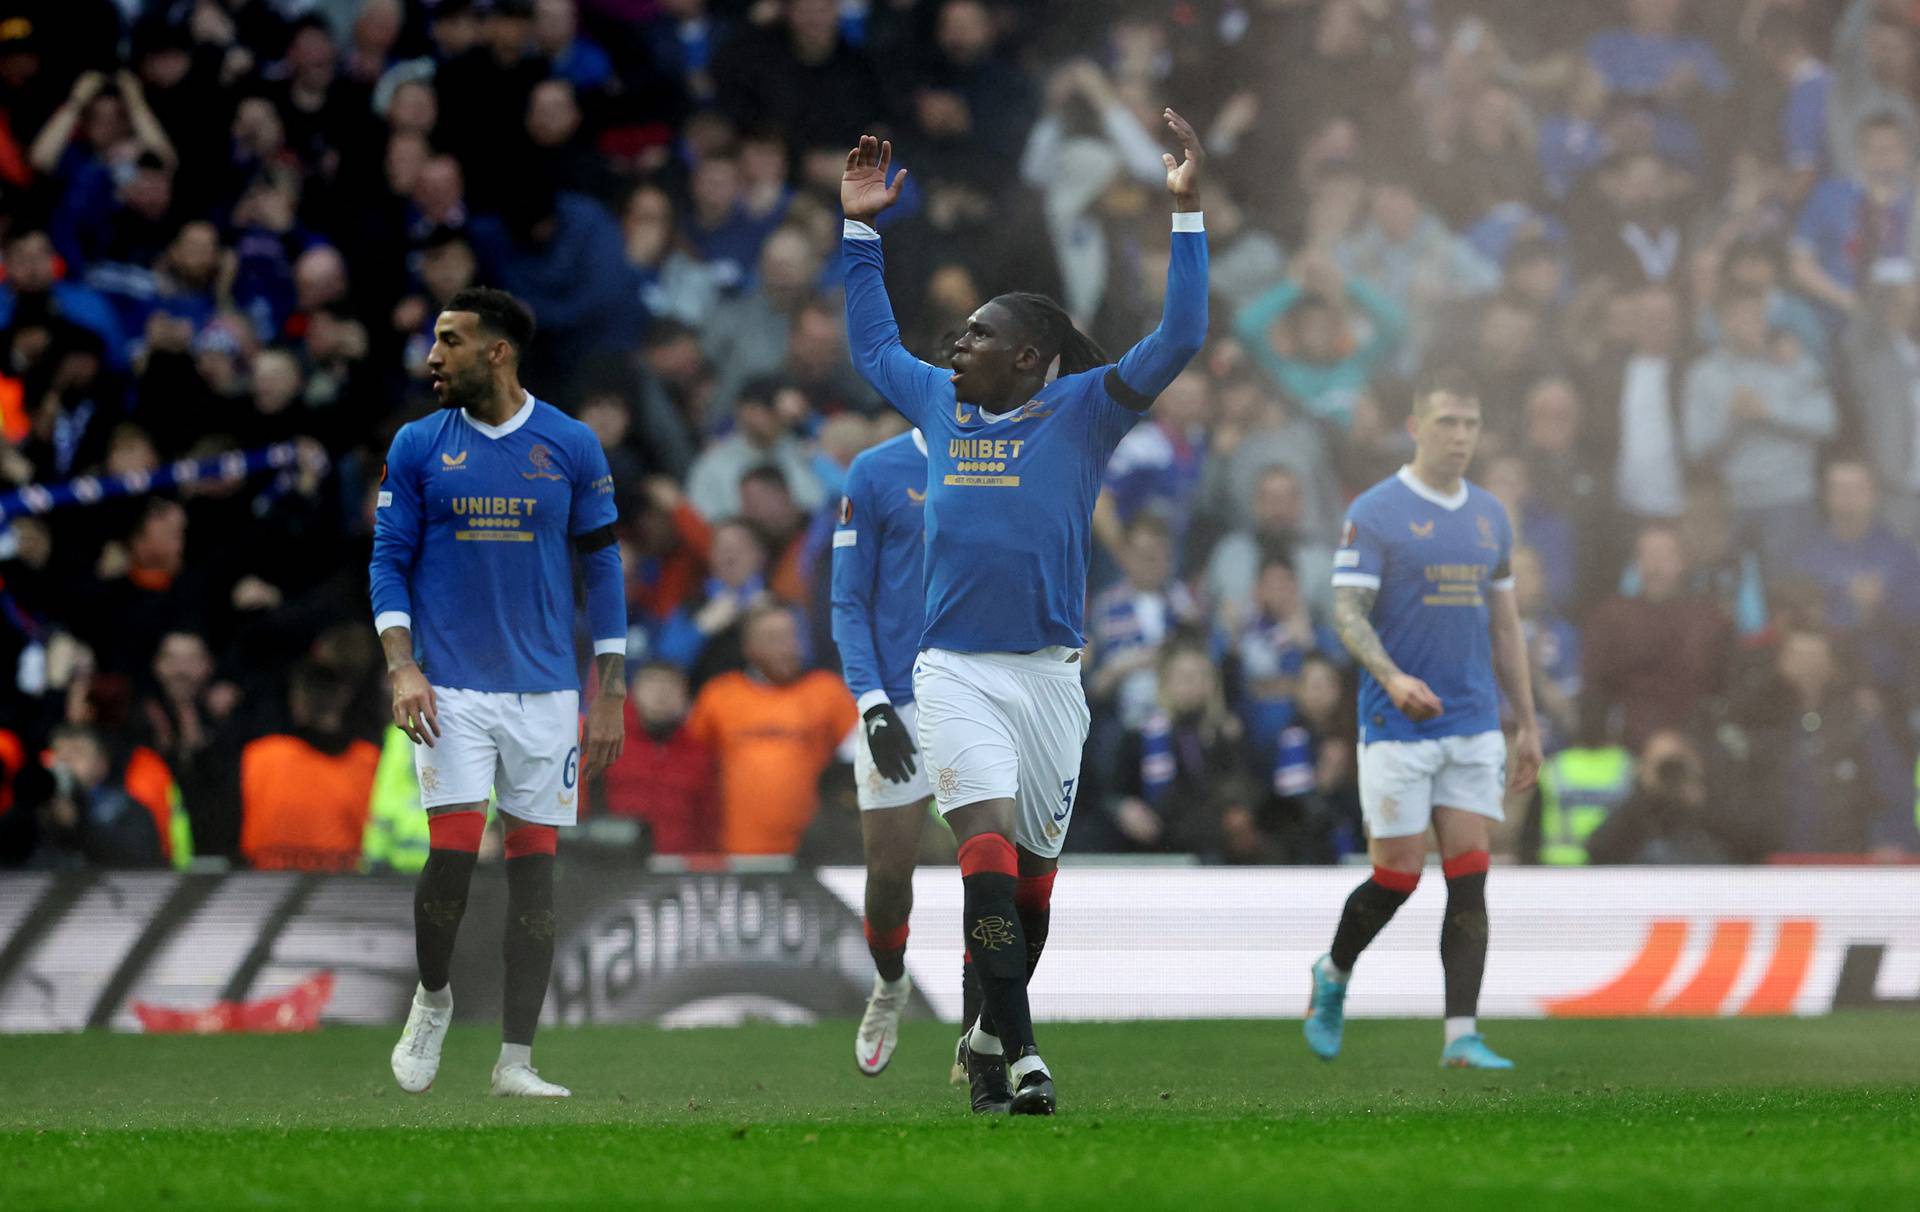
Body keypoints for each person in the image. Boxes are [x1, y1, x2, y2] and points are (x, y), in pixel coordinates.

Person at [840, 110, 1208, 1116]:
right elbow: (873, 341)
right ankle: (1029, 1052)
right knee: (987, 858)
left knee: (1033, 889)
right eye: (960, 333)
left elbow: (1181, 335)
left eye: (981, 335)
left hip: (1052, 675)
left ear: (1032, 356)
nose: (958, 343)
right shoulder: (936, 407)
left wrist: (1184, 210)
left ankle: (987, 1032)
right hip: (953, 669)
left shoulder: (1083, 411)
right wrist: (861, 231)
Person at [369, 287, 627, 1099]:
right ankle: (435, 998)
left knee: (536, 881)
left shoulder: (572, 445)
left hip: (547, 693)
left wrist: (610, 688)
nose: (432, 356)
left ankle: (516, 1061)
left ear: (497, 351)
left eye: (449, 340)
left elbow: (604, 567)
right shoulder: (417, 446)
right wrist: (402, 664)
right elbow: (387, 563)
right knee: (449, 862)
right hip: (451, 688)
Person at [1304, 369, 1543, 1071]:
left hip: (1470, 721)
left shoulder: (1490, 516)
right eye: (1447, 423)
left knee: (1470, 870)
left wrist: (1526, 722)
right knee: (1399, 877)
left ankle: (1460, 1034)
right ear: (1415, 427)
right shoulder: (1376, 512)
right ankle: (1333, 972)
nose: (1461, 436)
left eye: (1470, 424)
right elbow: (1345, 610)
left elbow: (1506, 625)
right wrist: (1392, 676)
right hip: (1398, 723)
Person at [830, 423, 935, 1076]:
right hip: (900, 698)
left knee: (996, 863)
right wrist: (872, 704)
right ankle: (891, 981)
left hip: (982, 692)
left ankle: (987, 1019)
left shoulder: (1012, 459)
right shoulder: (876, 470)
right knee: (891, 876)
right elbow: (847, 600)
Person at [684, 603, 858, 855]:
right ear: (749, 648)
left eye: (792, 636)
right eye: (774, 639)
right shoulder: (719, 695)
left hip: (815, 849)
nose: (787, 647)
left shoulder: (828, 691)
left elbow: (860, 764)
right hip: (736, 848)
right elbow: (690, 768)